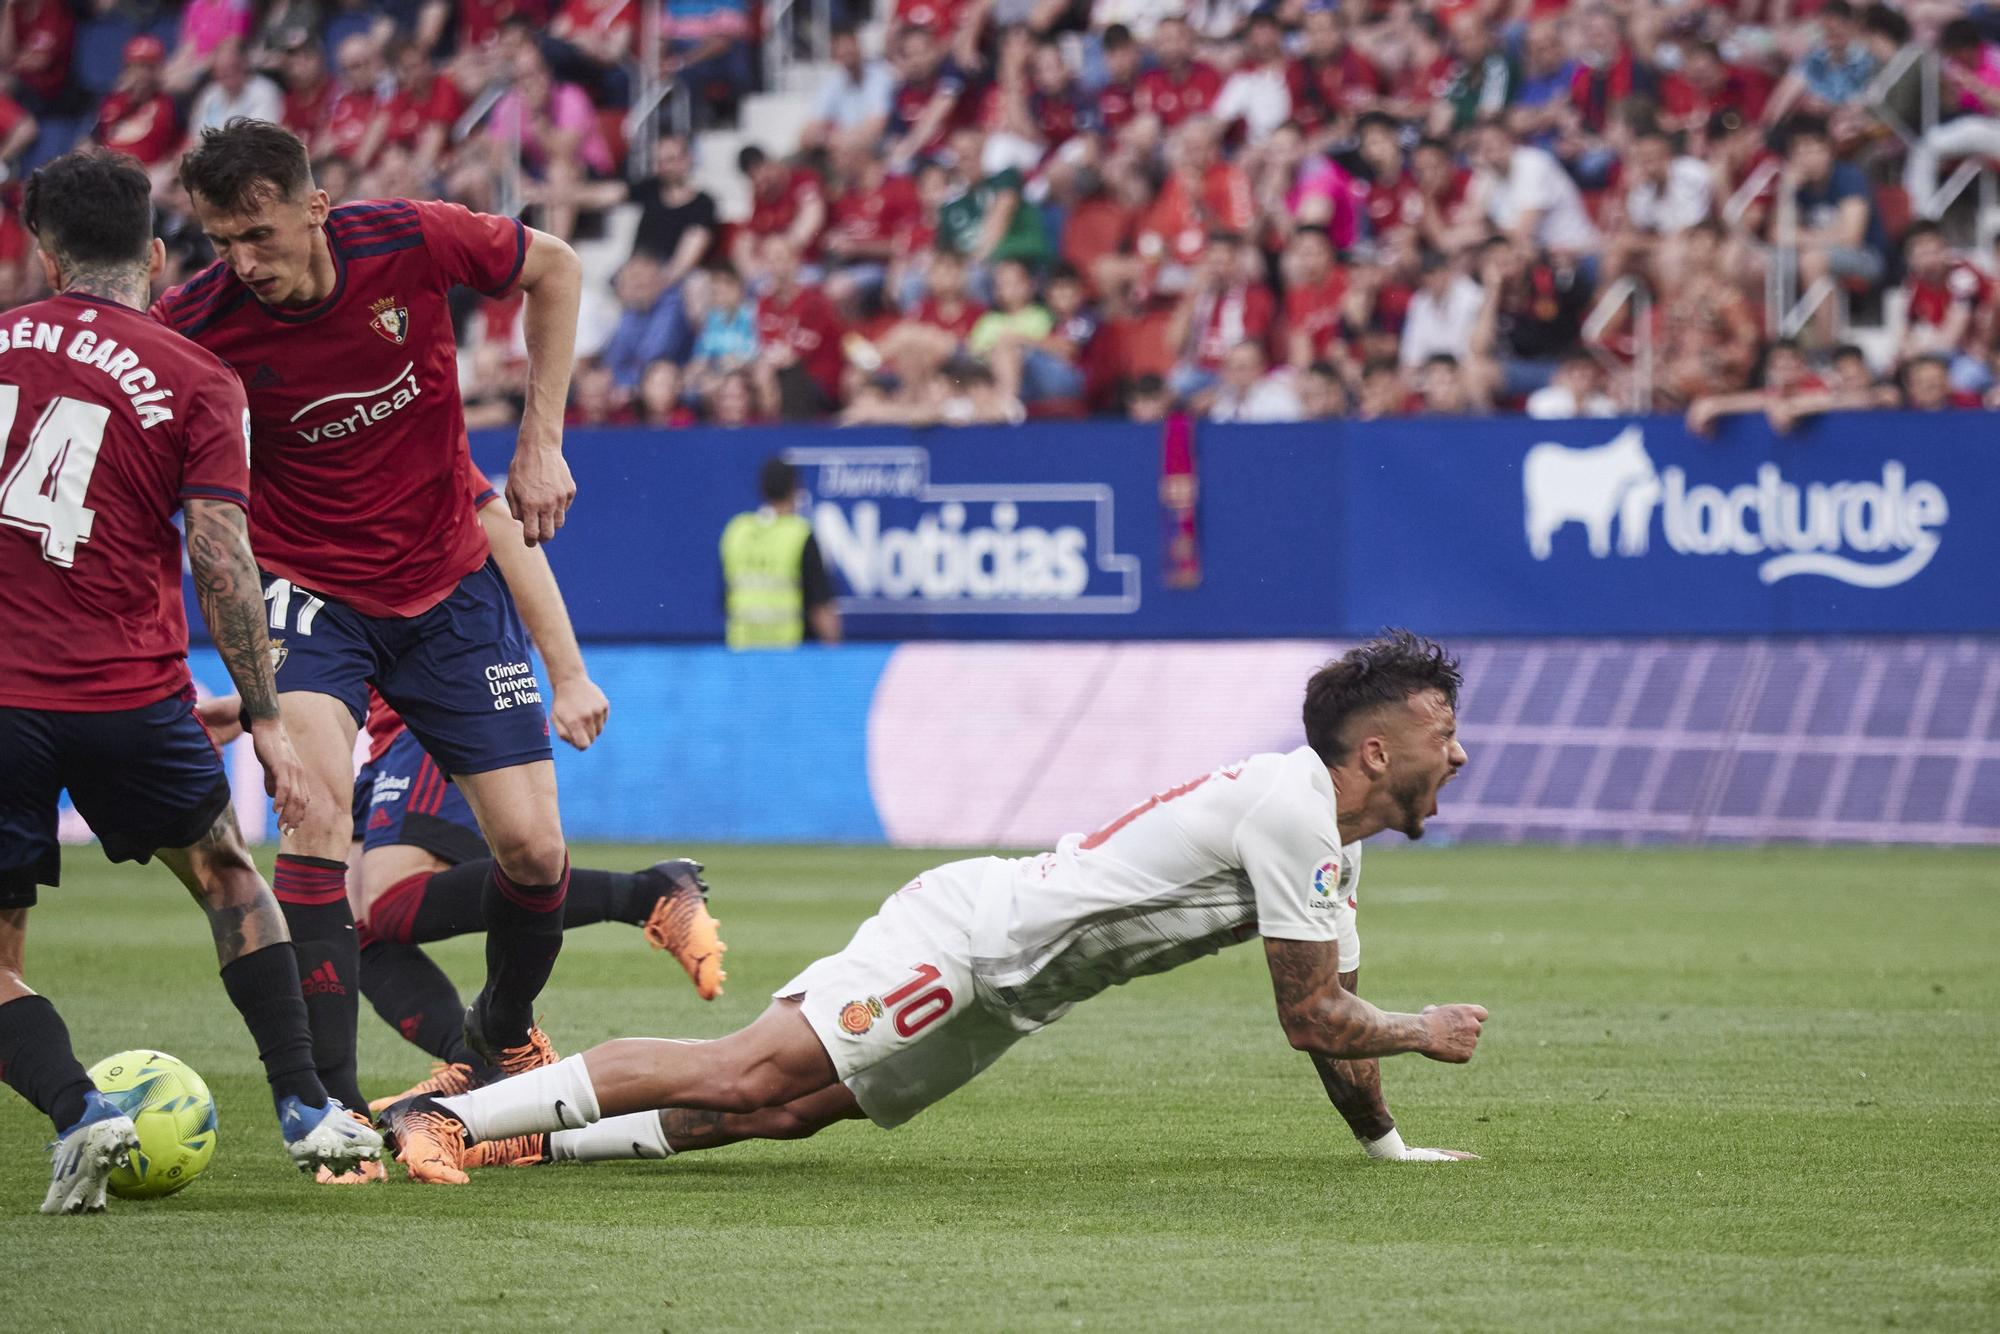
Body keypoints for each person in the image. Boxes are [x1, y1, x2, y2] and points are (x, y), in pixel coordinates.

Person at [383, 632, 1489, 1182]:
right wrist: (1421, 1028)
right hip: (970, 936)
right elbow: (1316, 1017)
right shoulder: (1292, 805)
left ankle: (535, 1142)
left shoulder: (1326, 843)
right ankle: (450, 1114)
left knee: (790, 1112)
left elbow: (1327, 1008)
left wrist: (1385, 1142)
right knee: (744, 1071)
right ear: (1378, 747)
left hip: (1011, 993)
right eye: (1444, 731)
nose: (1461, 750)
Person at [152, 121, 584, 1156]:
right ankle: (333, 1109)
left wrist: (539, 440)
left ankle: (502, 1035)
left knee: (532, 850)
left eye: (258, 233)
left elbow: (556, 268)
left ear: (314, 205)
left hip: (448, 587)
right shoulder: (198, 320)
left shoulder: (410, 241)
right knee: (315, 818)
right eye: (221, 242)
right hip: (312, 596)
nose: (243, 263)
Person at [0, 152, 382, 1213]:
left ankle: (79, 1111)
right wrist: (263, 715)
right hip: (130, 696)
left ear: (45, 252)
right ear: (157, 254)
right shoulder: (194, 372)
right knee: (226, 874)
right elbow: (222, 555)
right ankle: (308, 1106)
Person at [719, 457, 841, 650]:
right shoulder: (800, 534)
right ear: (795, 489)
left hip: (741, 654)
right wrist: (836, 655)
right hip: (788, 656)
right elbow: (820, 608)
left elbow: (726, 597)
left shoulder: (736, 531)